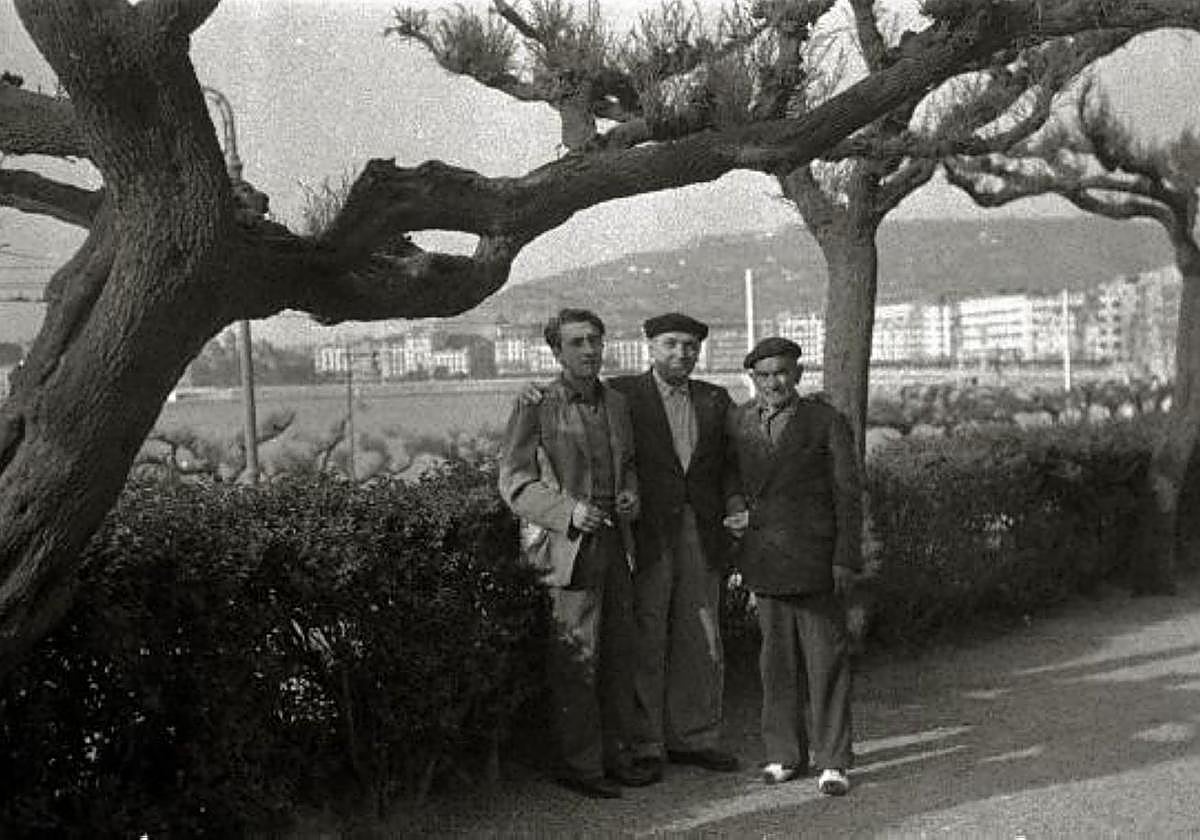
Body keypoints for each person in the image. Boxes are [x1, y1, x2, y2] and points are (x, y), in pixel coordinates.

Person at [517, 312, 744, 783]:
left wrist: (634, 494)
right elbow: (527, 462)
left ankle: (693, 737)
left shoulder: (710, 400)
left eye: (689, 346)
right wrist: (530, 392)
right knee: (639, 637)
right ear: (650, 348)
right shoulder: (618, 395)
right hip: (635, 538)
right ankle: (642, 744)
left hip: (688, 531)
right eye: (669, 344)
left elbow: (721, 467)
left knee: (698, 635)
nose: (680, 353)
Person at [497, 308, 653, 799]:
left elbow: (627, 466)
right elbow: (515, 483)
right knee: (578, 660)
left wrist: (631, 494)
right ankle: (581, 767)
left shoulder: (618, 403)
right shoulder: (536, 404)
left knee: (619, 654)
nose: (590, 350)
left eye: (596, 341)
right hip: (570, 548)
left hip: (617, 544)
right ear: (557, 351)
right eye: (578, 342)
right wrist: (567, 512)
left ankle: (618, 757)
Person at [725, 336, 863, 796]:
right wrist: (733, 503)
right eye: (763, 375)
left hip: (816, 561)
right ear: (752, 379)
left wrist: (845, 556)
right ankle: (784, 754)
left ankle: (834, 761)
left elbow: (847, 494)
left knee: (826, 662)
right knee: (775, 665)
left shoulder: (825, 421)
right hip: (765, 561)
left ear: (799, 375)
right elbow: (729, 474)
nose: (774, 382)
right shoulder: (740, 421)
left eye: (782, 372)